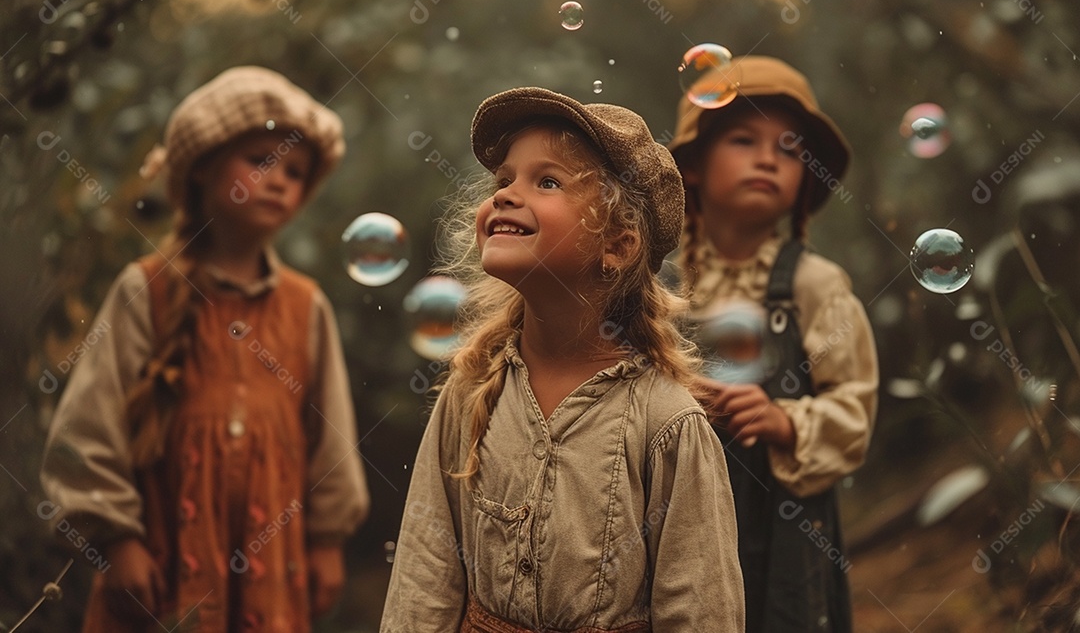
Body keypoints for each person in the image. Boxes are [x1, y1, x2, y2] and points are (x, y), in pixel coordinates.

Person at [380, 87, 744, 632]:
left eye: (546, 181)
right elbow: (423, 579)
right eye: (504, 180)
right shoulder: (471, 390)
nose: (507, 195)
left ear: (617, 245)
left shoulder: (668, 424)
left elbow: (701, 614)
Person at [40, 66, 370, 632]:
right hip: (159, 572)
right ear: (201, 167)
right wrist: (115, 541)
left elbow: (330, 440)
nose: (279, 180)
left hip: (271, 578)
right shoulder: (146, 291)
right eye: (260, 160)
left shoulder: (306, 307)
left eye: (294, 171)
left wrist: (326, 542)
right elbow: (88, 427)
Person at [668, 55, 878, 633]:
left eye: (788, 148)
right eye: (744, 140)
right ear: (692, 167)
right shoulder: (660, 293)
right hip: (678, 534)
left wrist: (784, 421)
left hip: (787, 542)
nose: (767, 158)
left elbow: (854, 410)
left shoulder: (815, 286)